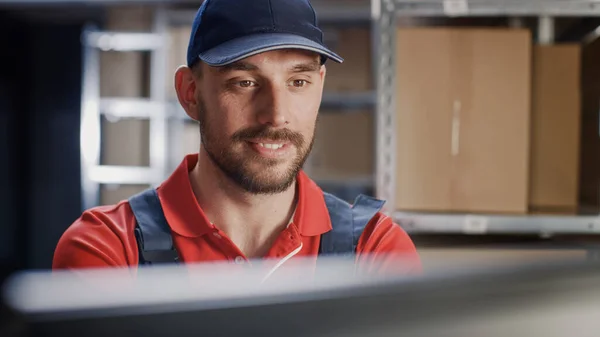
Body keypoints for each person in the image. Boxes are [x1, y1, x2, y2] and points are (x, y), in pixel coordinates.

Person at [53, 0, 421, 278]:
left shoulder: (375, 250)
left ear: (319, 88)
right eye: (244, 83)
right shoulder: (108, 249)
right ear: (190, 93)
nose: (276, 115)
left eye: (298, 82)